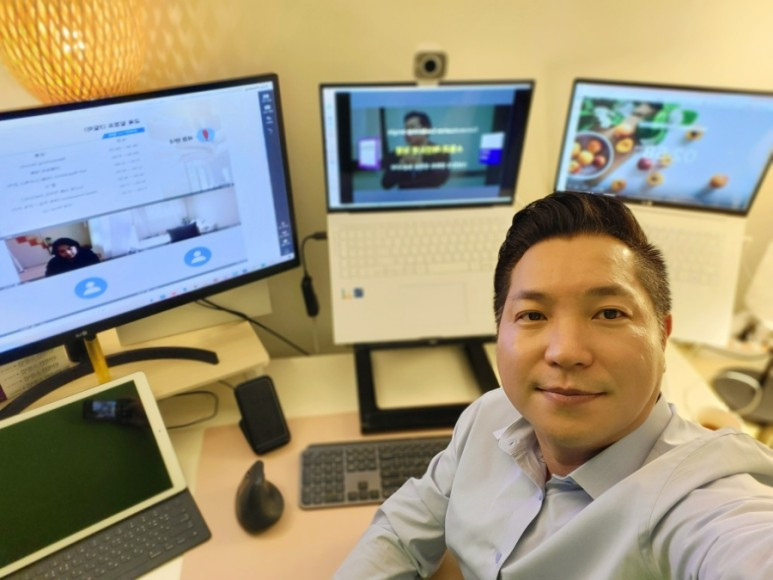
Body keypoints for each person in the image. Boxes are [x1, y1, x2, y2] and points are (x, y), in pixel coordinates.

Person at [335, 191, 773, 578]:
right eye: (533, 315)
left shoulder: (696, 497)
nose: (565, 351)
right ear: (499, 333)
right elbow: (403, 528)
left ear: (663, 334)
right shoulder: (489, 416)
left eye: (609, 313)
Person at [381, 111, 451, 189]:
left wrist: (421, 166)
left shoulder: (441, 152)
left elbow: (440, 179)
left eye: (411, 128)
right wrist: (400, 166)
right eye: (405, 129)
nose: (407, 133)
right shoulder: (396, 154)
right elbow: (386, 184)